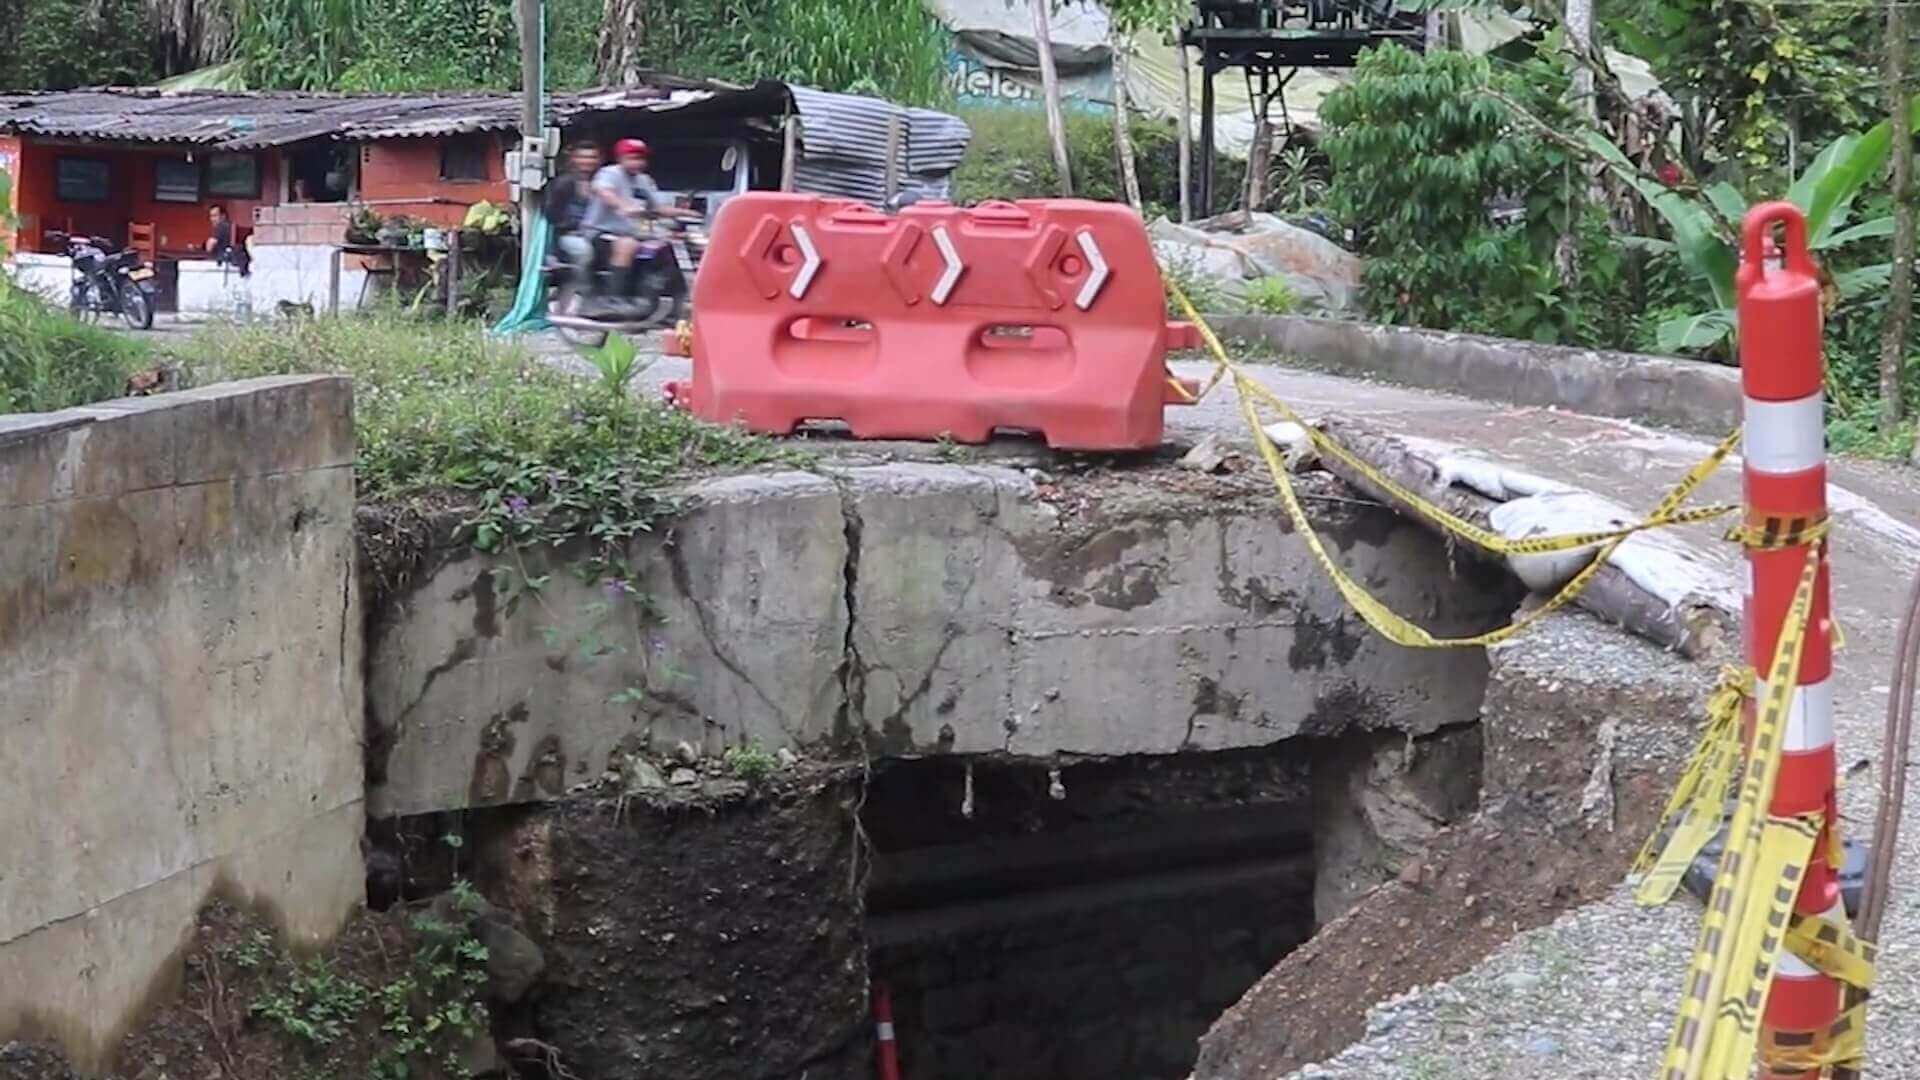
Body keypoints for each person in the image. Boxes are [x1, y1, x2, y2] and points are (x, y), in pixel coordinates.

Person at [581, 138, 694, 296]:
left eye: (641, 158)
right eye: (633, 158)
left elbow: (657, 208)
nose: (638, 162)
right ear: (620, 158)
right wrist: (621, 205)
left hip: (632, 233)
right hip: (600, 232)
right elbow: (603, 190)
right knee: (627, 245)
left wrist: (686, 213)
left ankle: (652, 296)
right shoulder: (610, 173)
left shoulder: (644, 180)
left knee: (668, 243)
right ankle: (613, 298)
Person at [544, 141, 601, 288]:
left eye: (592, 157)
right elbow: (552, 215)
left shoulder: (603, 181)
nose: (587, 161)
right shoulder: (564, 183)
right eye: (583, 157)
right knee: (583, 250)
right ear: (574, 159)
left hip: (597, 232)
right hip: (569, 234)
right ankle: (583, 290)